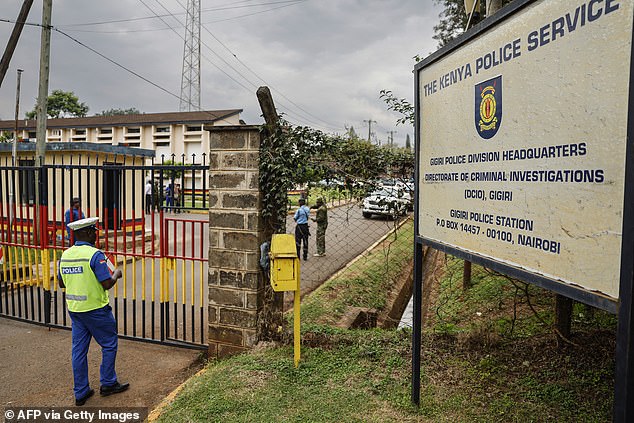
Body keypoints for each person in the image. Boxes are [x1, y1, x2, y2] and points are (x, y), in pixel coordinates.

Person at [58, 217, 129, 406]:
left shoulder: (65, 254)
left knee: (78, 351)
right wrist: (116, 274)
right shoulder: (95, 255)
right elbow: (106, 283)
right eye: (94, 231)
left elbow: (61, 283)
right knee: (109, 344)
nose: (96, 234)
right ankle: (108, 383)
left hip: (75, 310)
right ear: (87, 233)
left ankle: (80, 392)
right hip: (96, 310)